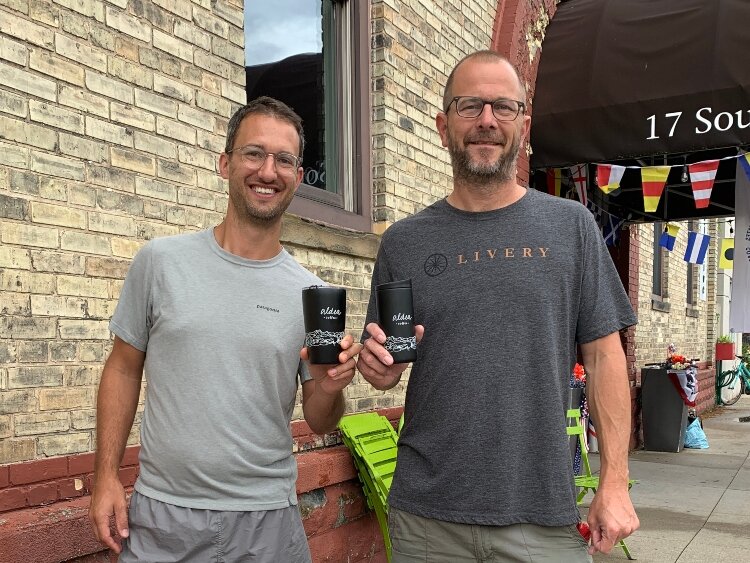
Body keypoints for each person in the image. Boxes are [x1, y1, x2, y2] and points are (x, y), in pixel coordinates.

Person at [357, 51, 640, 562]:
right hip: (427, 518)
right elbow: (387, 365)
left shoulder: (570, 227)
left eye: (502, 108)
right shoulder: (403, 242)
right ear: (444, 126)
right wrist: (378, 368)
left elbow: (604, 357)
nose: (486, 121)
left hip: (543, 510)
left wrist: (613, 482)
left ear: (522, 126)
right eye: (469, 106)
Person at [89, 96, 361, 562]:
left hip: (267, 523)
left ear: (298, 177)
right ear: (225, 162)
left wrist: (333, 387)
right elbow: (122, 369)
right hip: (163, 518)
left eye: (284, 160)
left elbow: (320, 417)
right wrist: (105, 476)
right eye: (253, 153)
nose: (267, 171)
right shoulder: (160, 263)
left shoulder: (313, 295)